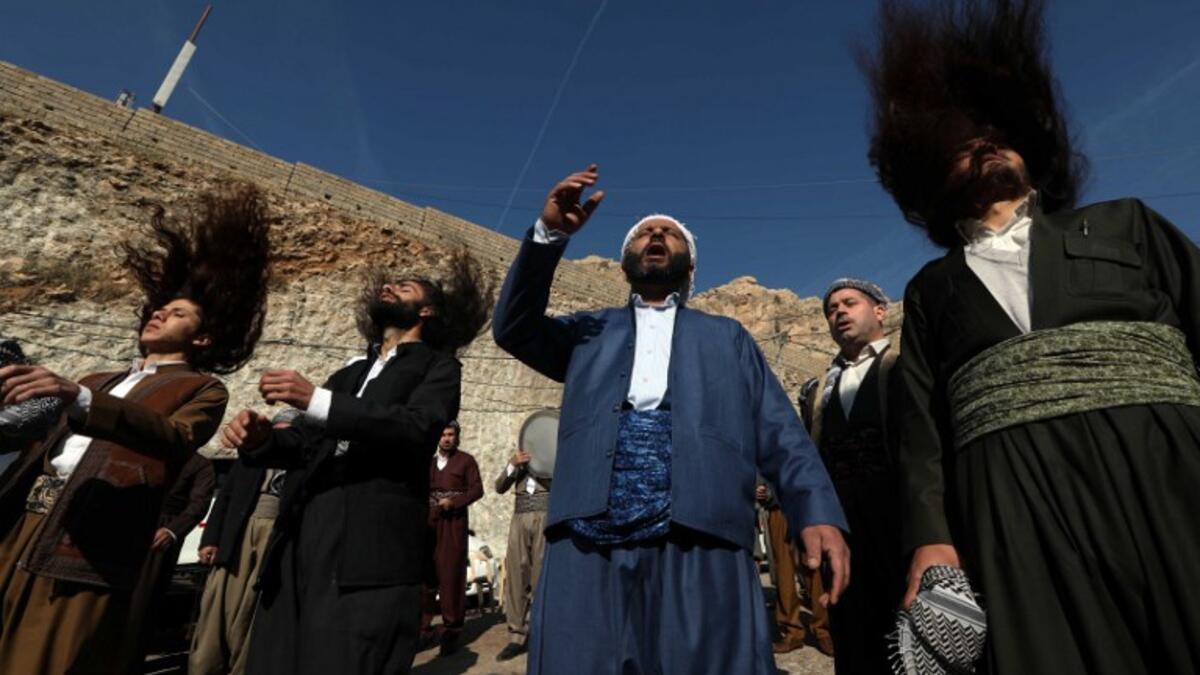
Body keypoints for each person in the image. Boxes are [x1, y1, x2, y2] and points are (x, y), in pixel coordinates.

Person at [862, 1, 1200, 672]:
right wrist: (932, 540)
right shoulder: (933, 288)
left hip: (1167, 473)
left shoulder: (1124, 223)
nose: (986, 141)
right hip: (1013, 506)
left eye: (999, 131)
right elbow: (924, 433)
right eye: (963, 139)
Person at [492, 165, 849, 674]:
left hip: (702, 531)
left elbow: (780, 431)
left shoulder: (728, 337)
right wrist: (549, 237)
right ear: (624, 264)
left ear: (690, 267)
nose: (655, 235)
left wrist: (816, 511)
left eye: (669, 232)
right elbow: (513, 327)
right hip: (587, 534)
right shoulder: (588, 331)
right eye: (643, 232)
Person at [0, 184, 272, 674]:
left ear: (203, 336)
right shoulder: (99, 379)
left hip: (89, 539)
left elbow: (172, 438)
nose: (160, 312)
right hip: (25, 522)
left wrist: (79, 398)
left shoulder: (200, 388)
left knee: (44, 660)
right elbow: (35, 440)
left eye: (179, 313)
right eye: (158, 308)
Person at [221, 250, 493, 675]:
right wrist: (259, 441)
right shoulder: (349, 374)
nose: (388, 288)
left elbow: (416, 426)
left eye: (404, 287)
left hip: (371, 544)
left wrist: (315, 400)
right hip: (304, 530)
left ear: (426, 310)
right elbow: (304, 445)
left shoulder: (439, 368)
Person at [798, 278, 902, 673]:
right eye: (831, 308)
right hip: (842, 527)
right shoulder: (818, 386)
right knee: (853, 633)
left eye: (849, 303)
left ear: (879, 311)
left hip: (898, 518)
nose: (838, 311)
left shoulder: (907, 362)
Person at [188, 408, 298, 675]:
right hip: (238, 534)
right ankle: (207, 665)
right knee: (219, 604)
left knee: (252, 607)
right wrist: (210, 540)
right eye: (277, 431)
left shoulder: (300, 462)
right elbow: (225, 499)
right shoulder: (250, 458)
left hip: (273, 537)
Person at [125, 451, 217, 672]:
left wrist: (172, 530)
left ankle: (128, 663)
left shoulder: (200, 465)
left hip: (158, 538)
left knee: (140, 604)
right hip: (128, 526)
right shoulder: (141, 450)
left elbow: (199, 504)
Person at [421, 421, 483, 656]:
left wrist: (454, 503)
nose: (446, 438)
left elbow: (477, 490)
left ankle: (451, 631)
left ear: (457, 437)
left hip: (453, 524)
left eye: (450, 435)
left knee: (450, 577)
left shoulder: (466, 461)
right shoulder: (429, 462)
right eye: (443, 435)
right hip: (429, 522)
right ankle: (424, 630)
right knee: (426, 579)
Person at [755, 478, 833, 658]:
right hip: (778, 509)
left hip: (805, 507)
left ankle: (823, 631)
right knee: (784, 573)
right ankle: (792, 633)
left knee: (813, 569)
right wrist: (766, 493)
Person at [493, 445, 551, 661]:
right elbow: (499, 487)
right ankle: (517, 636)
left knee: (540, 576)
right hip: (519, 516)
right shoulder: (519, 462)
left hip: (544, 515)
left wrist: (544, 466)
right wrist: (512, 465)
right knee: (517, 574)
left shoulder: (554, 460)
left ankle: (541, 633)